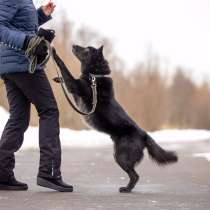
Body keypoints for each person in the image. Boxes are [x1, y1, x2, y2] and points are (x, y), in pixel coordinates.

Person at [0, 0, 73, 192]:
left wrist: (40, 15)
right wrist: (27, 42)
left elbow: (17, 24)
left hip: (12, 65)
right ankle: (48, 172)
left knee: (19, 118)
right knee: (49, 111)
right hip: (22, 63)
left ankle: (2, 173)